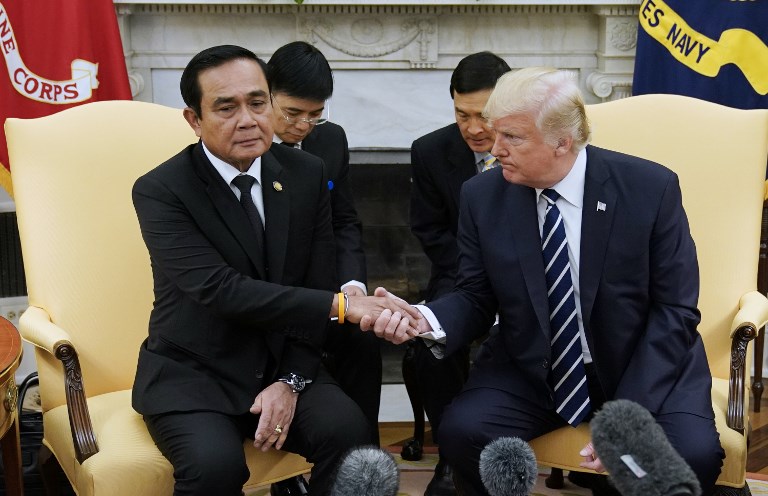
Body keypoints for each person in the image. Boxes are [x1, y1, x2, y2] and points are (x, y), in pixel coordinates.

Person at [368, 67, 725, 496]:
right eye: (496, 133)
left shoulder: (650, 189)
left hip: (642, 364)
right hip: (534, 365)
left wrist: (629, 413)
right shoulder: (482, 196)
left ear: (563, 141)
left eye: (512, 137)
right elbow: (475, 296)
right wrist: (424, 319)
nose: (494, 148)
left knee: (692, 455)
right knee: (464, 431)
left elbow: (676, 310)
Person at [131, 44, 417, 496]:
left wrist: (291, 381)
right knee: (214, 467)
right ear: (194, 120)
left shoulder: (305, 172)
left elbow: (316, 281)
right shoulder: (161, 190)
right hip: (195, 373)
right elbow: (221, 290)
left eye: (257, 102)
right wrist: (345, 307)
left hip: (281, 362)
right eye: (226, 107)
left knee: (352, 437)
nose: (247, 119)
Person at [266, 40, 382, 496]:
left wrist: (353, 287)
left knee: (363, 341)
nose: (303, 126)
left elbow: (345, 219)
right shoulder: (239, 143)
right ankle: (288, 474)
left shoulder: (330, 139)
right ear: (266, 94)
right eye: (293, 113)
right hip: (274, 299)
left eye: (315, 114)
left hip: (328, 293)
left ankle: (363, 472)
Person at [408, 51, 510, 496]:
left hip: (534, 277)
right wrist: (477, 278)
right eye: (461, 114)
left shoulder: (531, 144)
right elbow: (429, 229)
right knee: (427, 346)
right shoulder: (430, 151)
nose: (473, 128)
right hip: (459, 273)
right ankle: (452, 457)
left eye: (484, 116)